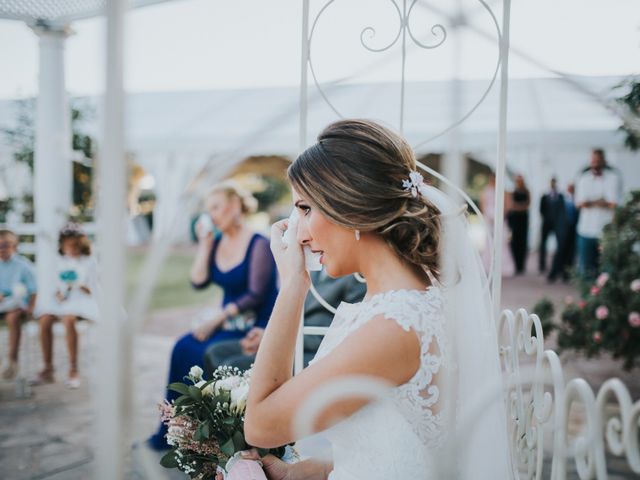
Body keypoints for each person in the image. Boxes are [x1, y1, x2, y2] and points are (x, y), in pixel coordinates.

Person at [243, 120, 510, 479]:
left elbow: (260, 425)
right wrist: (301, 473)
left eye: (305, 209)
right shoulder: (404, 303)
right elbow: (399, 447)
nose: (298, 234)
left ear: (351, 207)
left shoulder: (395, 327)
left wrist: (292, 284)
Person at [148, 181, 279, 450]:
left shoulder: (259, 244)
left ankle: (205, 437)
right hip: (228, 321)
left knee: (203, 353)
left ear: (234, 207)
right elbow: (197, 281)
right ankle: (177, 430)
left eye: (216, 207)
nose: (211, 215)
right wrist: (205, 245)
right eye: (209, 210)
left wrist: (216, 319)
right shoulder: (217, 241)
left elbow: (256, 294)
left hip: (256, 322)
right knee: (183, 347)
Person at [203, 269, 366, 373]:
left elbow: (337, 336)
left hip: (311, 351)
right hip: (292, 337)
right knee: (215, 352)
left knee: (233, 365)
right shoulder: (316, 266)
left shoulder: (356, 279)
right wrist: (267, 335)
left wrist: (275, 340)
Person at [35, 224, 99, 388]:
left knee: (69, 319)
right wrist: (59, 292)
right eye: (69, 246)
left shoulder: (89, 261)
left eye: (76, 245)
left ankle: (73, 368)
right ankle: (48, 367)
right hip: (62, 300)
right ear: (62, 246)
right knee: (44, 320)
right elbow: (53, 284)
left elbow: (94, 287)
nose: (73, 249)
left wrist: (79, 285)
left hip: (83, 299)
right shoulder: (58, 261)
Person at [574, 149, 619, 279]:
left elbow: (613, 203)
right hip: (585, 230)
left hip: (606, 231)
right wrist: (600, 200)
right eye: (593, 160)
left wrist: (590, 202)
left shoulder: (613, 178)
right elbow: (580, 203)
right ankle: (589, 297)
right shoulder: (583, 179)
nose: (595, 163)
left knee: (607, 269)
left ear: (604, 161)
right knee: (587, 269)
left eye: (598, 160)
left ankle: (604, 298)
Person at [0, 229, 37, 380]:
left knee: (13, 318)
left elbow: (33, 290)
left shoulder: (23, 265)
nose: (1, 249)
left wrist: (31, 308)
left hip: (17, 305)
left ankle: (12, 360)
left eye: (5, 245)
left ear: (15, 246)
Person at [480, 173, 515, 277]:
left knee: (501, 241)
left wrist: (501, 216)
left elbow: (508, 205)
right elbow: (483, 204)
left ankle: (503, 266)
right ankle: (488, 265)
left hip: (500, 218)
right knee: (489, 242)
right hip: (488, 218)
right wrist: (488, 215)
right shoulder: (486, 191)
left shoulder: (503, 191)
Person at [538, 177, 565, 275]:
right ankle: (542, 265)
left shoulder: (561, 196)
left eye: (554, 182)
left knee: (560, 244)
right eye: (551, 182)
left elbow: (562, 210)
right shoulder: (544, 196)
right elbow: (541, 210)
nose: (553, 184)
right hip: (546, 223)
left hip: (557, 224)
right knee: (543, 244)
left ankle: (559, 266)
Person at [508, 174, 530, 275]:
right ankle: (516, 265)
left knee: (523, 242)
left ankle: (521, 266)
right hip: (515, 219)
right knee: (515, 242)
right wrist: (520, 207)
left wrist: (518, 207)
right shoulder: (513, 192)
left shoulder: (527, 191)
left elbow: (527, 204)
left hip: (523, 219)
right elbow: (511, 204)